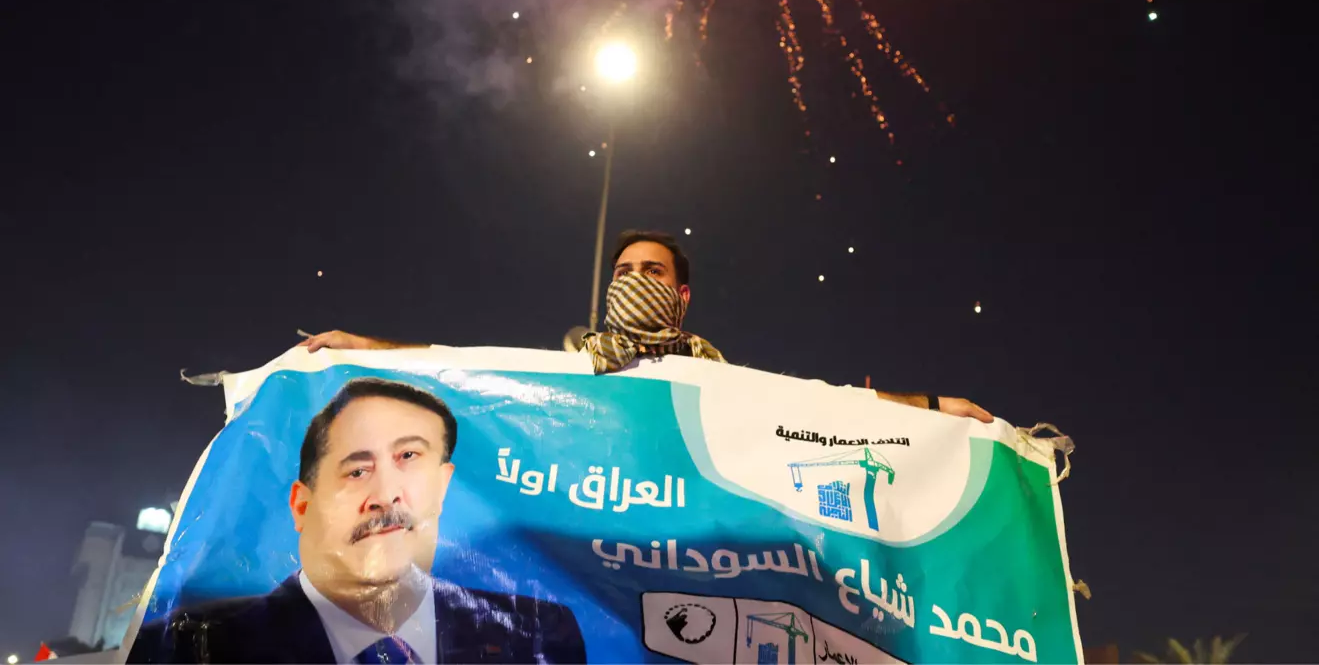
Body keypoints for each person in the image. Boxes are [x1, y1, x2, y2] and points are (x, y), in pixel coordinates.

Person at [298, 229, 994, 423]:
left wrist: (933, 410)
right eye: (623, 270)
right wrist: (367, 351)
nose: (632, 281)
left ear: (682, 296)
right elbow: (470, 368)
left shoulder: (715, 383)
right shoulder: (571, 372)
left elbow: (819, 403)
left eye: (651, 272)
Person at [128, 377, 586, 664]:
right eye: (357, 470)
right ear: (302, 506)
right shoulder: (203, 644)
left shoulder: (535, 635)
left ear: (444, 484)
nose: (386, 495)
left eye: (409, 457)